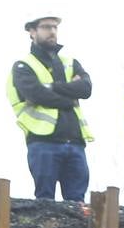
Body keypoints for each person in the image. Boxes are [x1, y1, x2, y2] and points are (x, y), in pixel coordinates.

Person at [6, 11, 93, 200]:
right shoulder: (23, 66)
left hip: (75, 142)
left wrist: (53, 87)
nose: (52, 31)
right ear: (32, 31)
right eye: (46, 27)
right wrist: (69, 96)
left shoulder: (70, 62)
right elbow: (36, 94)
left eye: (55, 27)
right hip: (43, 142)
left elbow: (86, 89)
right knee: (45, 202)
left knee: (78, 205)